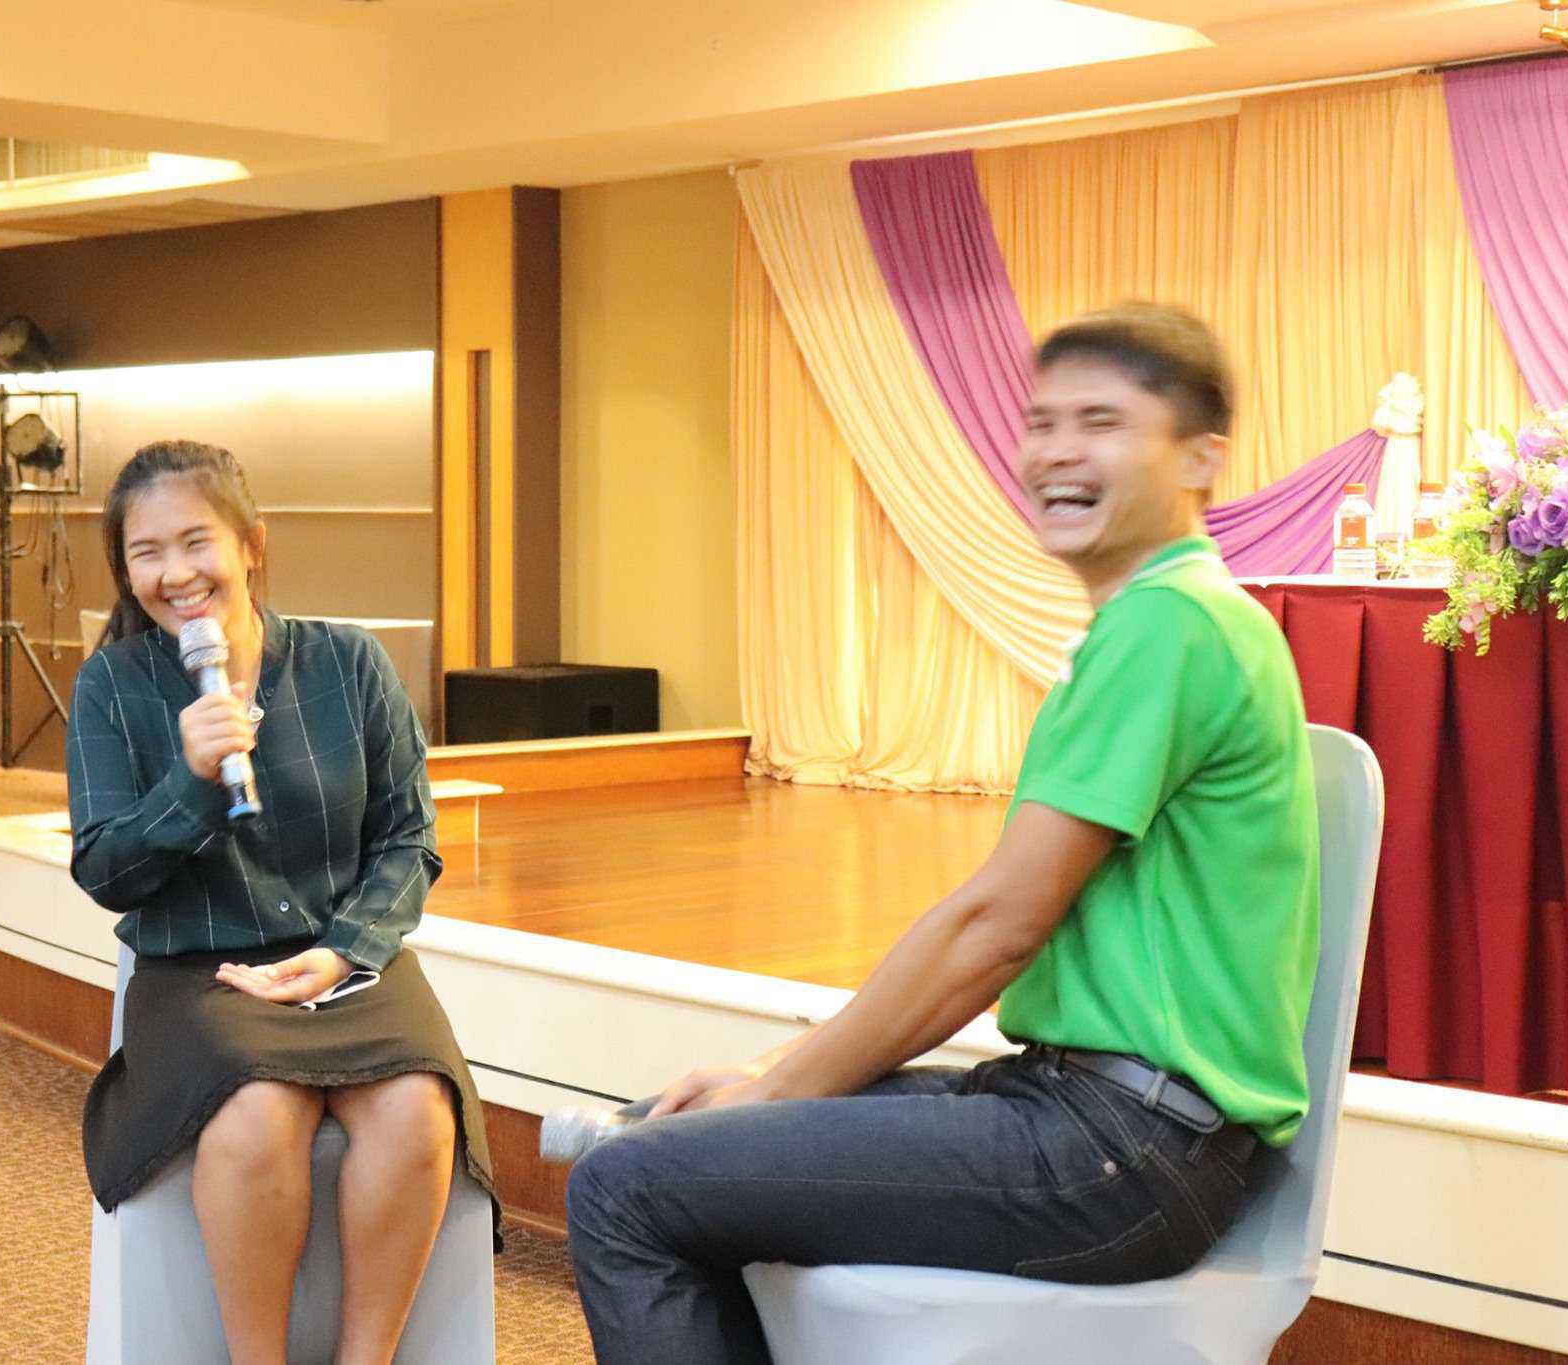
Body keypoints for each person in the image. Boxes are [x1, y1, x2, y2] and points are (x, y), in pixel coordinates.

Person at [564, 304, 1320, 1363]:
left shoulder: (1169, 623)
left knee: (624, 1188)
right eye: (1042, 422)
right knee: (681, 1131)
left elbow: (994, 928)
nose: (1057, 451)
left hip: (1119, 1149)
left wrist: (776, 1087)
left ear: (1200, 458)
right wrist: (775, 1070)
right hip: (1104, 1121)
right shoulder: (1175, 618)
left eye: (1101, 422)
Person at [68, 440, 493, 1365]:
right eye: (146, 553)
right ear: (125, 570)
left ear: (252, 545)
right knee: (259, 1118)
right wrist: (190, 780)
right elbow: (103, 869)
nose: (175, 573)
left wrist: (345, 950)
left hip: (345, 962)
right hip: (199, 968)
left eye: (196, 542)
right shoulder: (112, 685)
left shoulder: (349, 663)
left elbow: (409, 837)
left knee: (420, 1114)